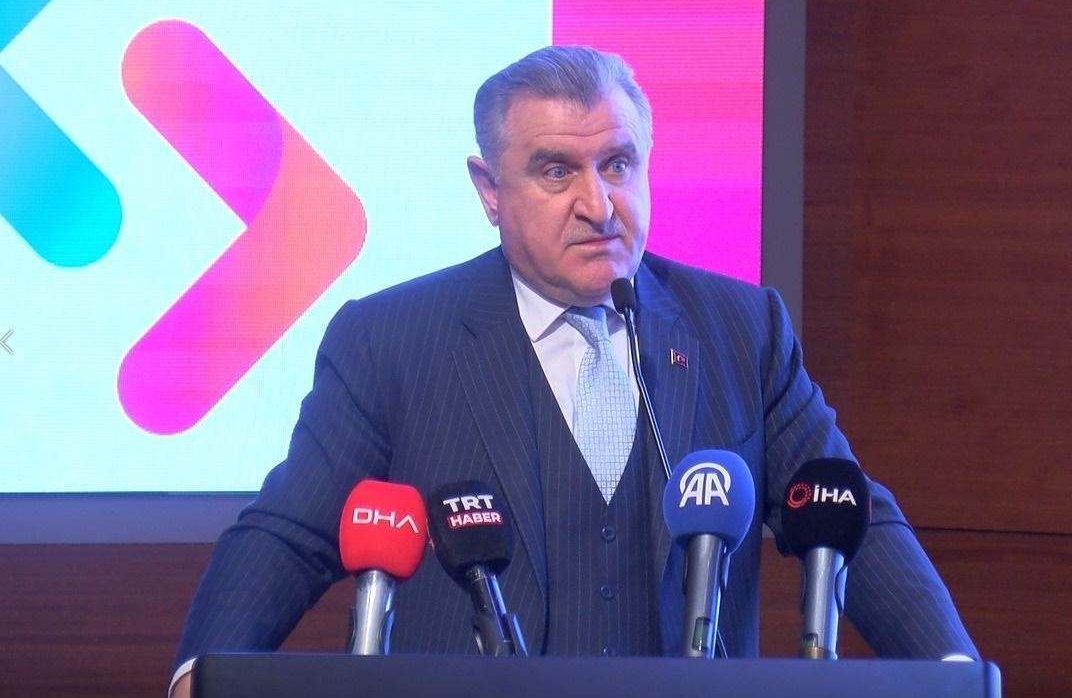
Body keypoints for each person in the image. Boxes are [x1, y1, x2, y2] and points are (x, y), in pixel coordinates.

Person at [169, 45, 977, 697]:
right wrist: (195, 677)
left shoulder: (740, 329)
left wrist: (953, 673)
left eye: (618, 164)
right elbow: (290, 535)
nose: (597, 203)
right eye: (556, 171)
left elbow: (848, 515)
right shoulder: (391, 339)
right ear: (489, 190)